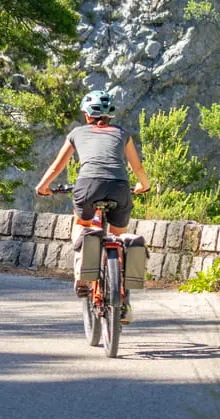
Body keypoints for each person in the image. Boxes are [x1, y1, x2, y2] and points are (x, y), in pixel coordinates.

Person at [35, 89, 151, 302]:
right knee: (118, 235)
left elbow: (57, 167)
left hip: (88, 186)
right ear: (110, 116)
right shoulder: (122, 134)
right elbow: (137, 168)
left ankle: (82, 277)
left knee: (82, 225)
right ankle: (123, 296)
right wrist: (144, 186)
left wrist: (42, 187)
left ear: (87, 114)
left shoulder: (77, 133)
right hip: (120, 187)